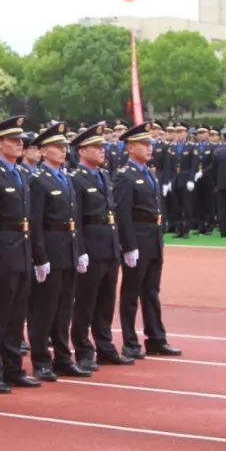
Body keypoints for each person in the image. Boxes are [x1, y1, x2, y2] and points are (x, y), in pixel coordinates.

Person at [0, 115, 40, 392]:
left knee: (17, 315)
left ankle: (13, 368)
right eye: (13, 140)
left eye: (20, 140)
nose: (19, 144)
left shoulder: (21, 174)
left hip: (21, 249)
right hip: (3, 252)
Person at [27, 122, 91, 380]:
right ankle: (42, 359)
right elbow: (36, 223)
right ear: (42, 151)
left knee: (65, 307)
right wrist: (40, 257)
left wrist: (80, 250)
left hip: (68, 249)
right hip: (51, 250)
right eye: (56, 147)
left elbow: (75, 219)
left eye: (64, 146)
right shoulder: (38, 180)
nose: (63, 151)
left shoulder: (65, 177)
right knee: (45, 308)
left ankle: (63, 357)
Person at [114, 123, 181, 358]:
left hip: (153, 239)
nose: (149, 148)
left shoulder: (148, 173)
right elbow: (122, 214)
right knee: (131, 293)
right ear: (130, 148)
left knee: (151, 291)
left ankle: (156, 338)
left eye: (150, 143)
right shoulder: (125, 176)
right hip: (138, 240)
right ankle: (130, 342)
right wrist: (128, 246)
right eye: (144, 144)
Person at [70, 123, 132, 366]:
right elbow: (76, 220)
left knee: (106, 301)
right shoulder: (77, 179)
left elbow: (111, 213)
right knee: (86, 301)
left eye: (103, 147)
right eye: (96, 147)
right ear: (82, 151)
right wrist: (81, 250)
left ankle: (105, 346)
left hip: (109, 245)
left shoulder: (104, 175)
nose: (102, 150)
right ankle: (83, 349)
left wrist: (119, 245)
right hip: (91, 245)